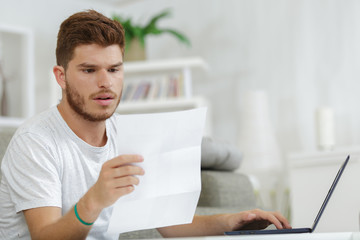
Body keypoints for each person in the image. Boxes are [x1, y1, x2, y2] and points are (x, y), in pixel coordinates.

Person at [0, 10, 291, 240]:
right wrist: (94, 200)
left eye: (114, 69)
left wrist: (232, 220)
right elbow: (44, 237)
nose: (105, 82)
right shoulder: (35, 142)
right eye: (89, 70)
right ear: (61, 76)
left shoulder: (126, 134)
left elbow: (168, 225)